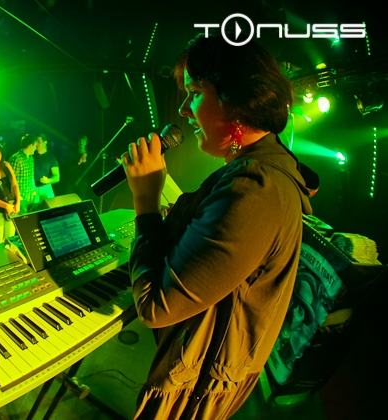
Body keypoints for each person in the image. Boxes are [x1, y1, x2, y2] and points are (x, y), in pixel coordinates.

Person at [121, 33, 313, 419]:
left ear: (236, 100)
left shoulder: (254, 188)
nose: (184, 111)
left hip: (194, 389)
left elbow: (156, 307)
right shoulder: (263, 168)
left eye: (194, 93)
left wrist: (145, 200)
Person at [8, 134, 37, 215]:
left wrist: (34, 191)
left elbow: (31, 176)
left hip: (30, 196)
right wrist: (18, 198)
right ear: (30, 145)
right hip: (20, 198)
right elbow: (11, 180)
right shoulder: (16, 159)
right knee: (23, 221)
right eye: (35, 146)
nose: (36, 148)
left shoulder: (31, 158)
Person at [31, 133, 60, 211]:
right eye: (36, 142)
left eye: (39, 142)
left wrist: (48, 180)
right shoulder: (31, 155)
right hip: (33, 188)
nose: (37, 144)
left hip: (45, 188)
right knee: (33, 212)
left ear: (45, 142)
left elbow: (57, 177)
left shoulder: (51, 158)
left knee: (51, 210)